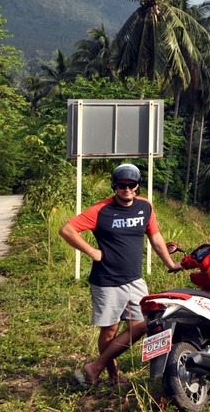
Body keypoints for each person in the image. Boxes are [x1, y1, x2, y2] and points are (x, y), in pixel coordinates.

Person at [59, 163, 181, 388]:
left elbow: (155, 238)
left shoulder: (145, 208)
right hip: (107, 281)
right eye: (121, 185)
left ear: (137, 187)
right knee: (110, 330)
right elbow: (67, 230)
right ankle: (112, 374)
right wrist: (93, 252)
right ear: (114, 186)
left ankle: (95, 367)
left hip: (134, 280)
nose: (126, 189)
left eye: (131, 185)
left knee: (142, 325)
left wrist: (170, 263)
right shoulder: (100, 210)